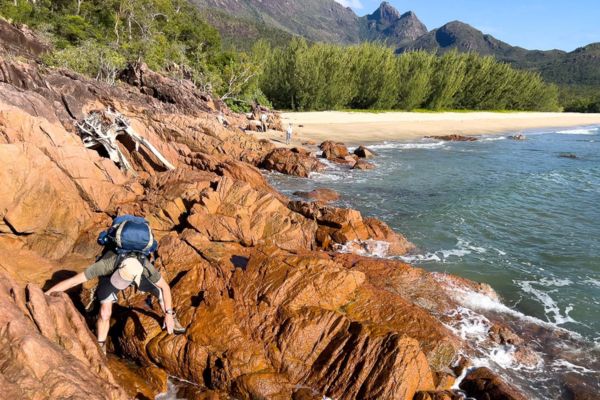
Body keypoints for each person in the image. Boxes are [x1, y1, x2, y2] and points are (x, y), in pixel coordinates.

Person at [46, 225, 185, 354]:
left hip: (136, 276)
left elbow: (165, 287)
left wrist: (167, 313)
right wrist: (46, 294)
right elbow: (74, 281)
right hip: (111, 278)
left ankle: (172, 318)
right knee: (105, 312)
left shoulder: (146, 267)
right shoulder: (106, 264)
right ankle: (101, 345)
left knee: (160, 292)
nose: (122, 286)